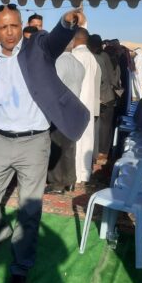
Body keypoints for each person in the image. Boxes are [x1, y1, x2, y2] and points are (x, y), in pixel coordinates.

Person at [0, 4, 89, 283]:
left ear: (21, 25)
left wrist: (67, 22)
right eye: (4, 27)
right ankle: (0, 234)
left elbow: (56, 40)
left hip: (34, 143)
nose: (10, 32)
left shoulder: (38, 48)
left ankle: (20, 267)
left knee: (28, 210)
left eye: (14, 25)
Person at [46, 47, 84, 194]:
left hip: (60, 110)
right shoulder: (78, 64)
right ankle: (70, 180)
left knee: (56, 146)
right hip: (74, 109)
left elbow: (54, 86)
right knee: (69, 147)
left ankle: (57, 183)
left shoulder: (59, 62)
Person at [71, 28, 101, 184]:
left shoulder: (75, 55)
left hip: (76, 102)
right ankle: (84, 173)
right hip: (88, 103)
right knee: (87, 137)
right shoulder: (91, 57)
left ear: (75, 39)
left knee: (76, 139)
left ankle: (75, 173)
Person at [89, 34, 119, 164]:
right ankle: (104, 152)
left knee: (101, 127)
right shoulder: (105, 56)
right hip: (108, 96)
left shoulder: (95, 58)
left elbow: (101, 80)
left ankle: (101, 153)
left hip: (101, 97)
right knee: (106, 126)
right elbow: (112, 77)